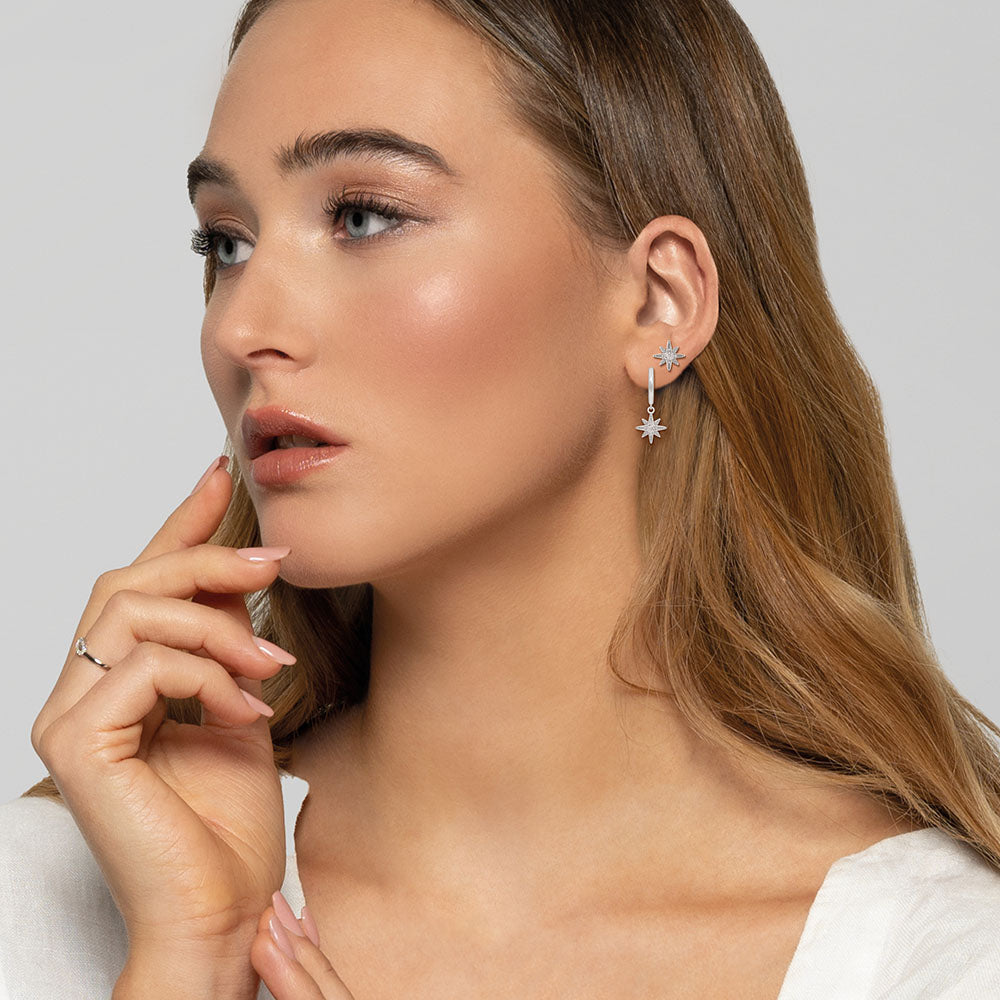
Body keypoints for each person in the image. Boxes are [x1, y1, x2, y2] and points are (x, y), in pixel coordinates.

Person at [2, 0, 999, 997]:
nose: (240, 328)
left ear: (658, 302)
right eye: (225, 243)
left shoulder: (939, 956)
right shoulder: (48, 905)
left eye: (362, 217)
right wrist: (189, 958)